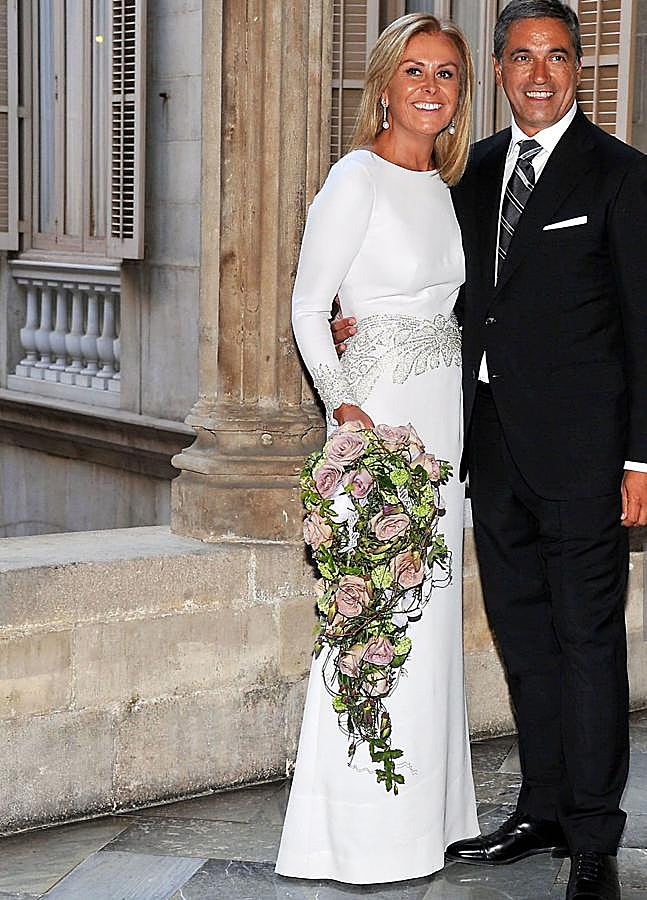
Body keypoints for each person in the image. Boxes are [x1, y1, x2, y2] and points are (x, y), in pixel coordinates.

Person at [333, 2, 647, 898]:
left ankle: (592, 837)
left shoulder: (620, 178)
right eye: (519, 58)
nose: (537, 74)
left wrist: (639, 460)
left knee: (587, 644)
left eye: (555, 56)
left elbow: (645, 327)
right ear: (500, 74)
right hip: (490, 454)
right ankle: (540, 808)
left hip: (589, 461)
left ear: (578, 67)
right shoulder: (464, 177)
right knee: (522, 639)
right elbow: (420, 282)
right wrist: (344, 319)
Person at [275, 13, 479, 886]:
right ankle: (354, 838)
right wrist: (344, 412)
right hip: (377, 421)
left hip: (442, 422)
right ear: (385, 86)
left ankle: (426, 823)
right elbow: (307, 305)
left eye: (446, 74)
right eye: (415, 71)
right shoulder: (351, 177)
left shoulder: (448, 185)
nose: (431, 88)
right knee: (370, 617)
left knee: (427, 620)